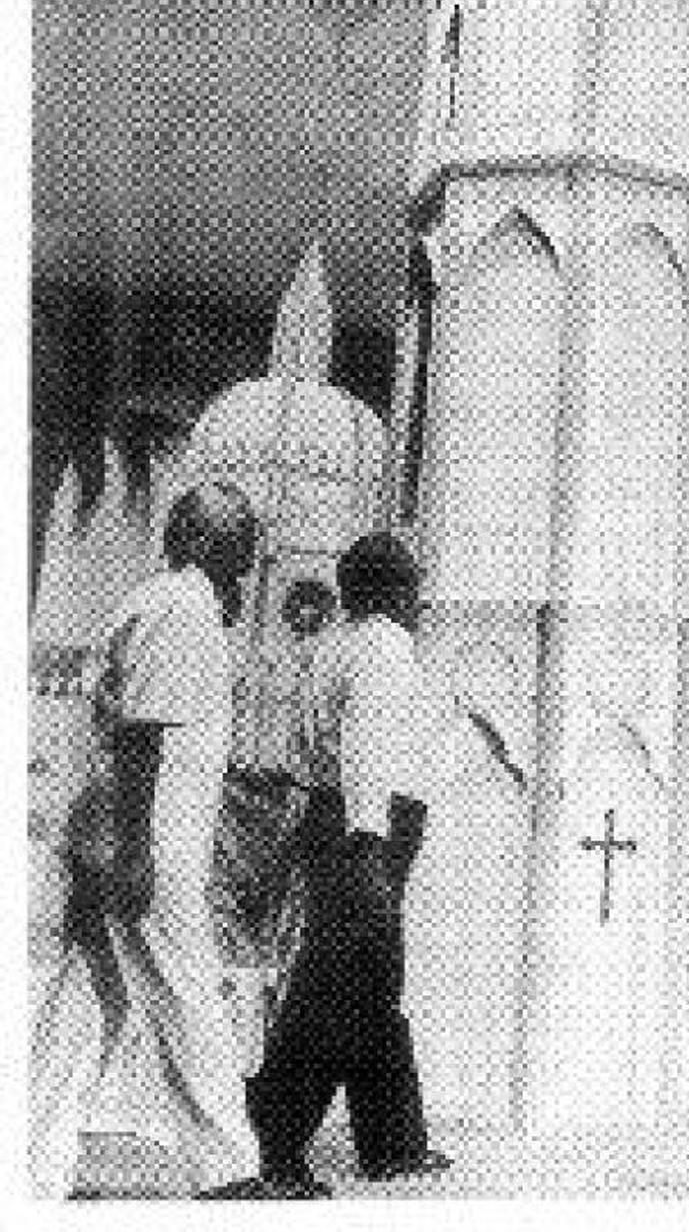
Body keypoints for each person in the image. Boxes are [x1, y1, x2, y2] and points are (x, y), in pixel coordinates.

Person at [28, 481, 291, 1201]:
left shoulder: (165, 604)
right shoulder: (181, 608)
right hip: (146, 845)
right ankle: (229, 1170)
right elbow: (143, 736)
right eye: (239, 552)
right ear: (201, 542)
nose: (247, 570)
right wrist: (138, 851)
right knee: (188, 994)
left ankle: (30, 1160)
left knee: (89, 1003)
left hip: (114, 833)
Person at [247, 531, 524, 1190]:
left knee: (371, 986)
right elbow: (369, 746)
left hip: (335, 821)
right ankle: (273, 1145)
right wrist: (370, 845)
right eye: (414, 588)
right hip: (364, 833)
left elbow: (319, 747)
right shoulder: (383, 647)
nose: (420, 601)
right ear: (398, 592)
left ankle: (392, 1141)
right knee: (333, 990)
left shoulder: (334, 645)